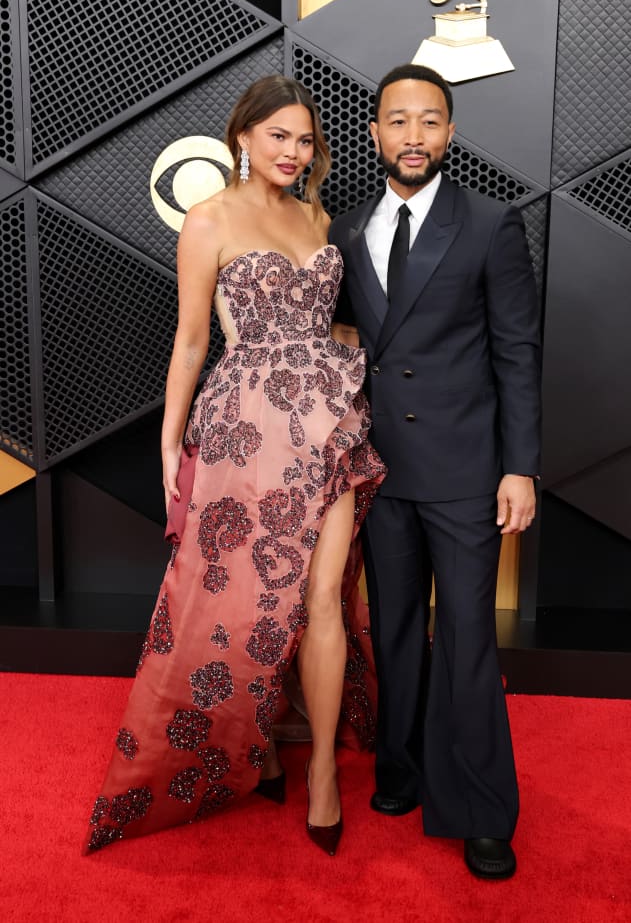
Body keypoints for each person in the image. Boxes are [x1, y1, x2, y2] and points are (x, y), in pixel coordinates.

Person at [85, 75, 385, 857]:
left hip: (327, 426)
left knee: (323, 593)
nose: (293, 151)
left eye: (304, 139)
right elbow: (192, 340)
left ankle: (318, 769)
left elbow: (326, 325)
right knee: (252, 601)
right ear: (242, 138)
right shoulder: (209, 217)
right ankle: (249, 746)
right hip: (246, 431)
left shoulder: (316, 216)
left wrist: (350, 363)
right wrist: (168, 444)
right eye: (278, 135)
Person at [329, 64, 541, 879]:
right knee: (389, 634)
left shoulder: (490, 223)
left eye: (428, 121)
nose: (411, 136)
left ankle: (482, 809)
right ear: (374, 132)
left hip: (462, 471)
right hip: (381, 475)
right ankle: (401, 770)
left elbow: (515, 353)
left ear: (449, 134)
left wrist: (518, 468)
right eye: (396, 121)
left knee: (463, 636)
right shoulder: (347, 230)